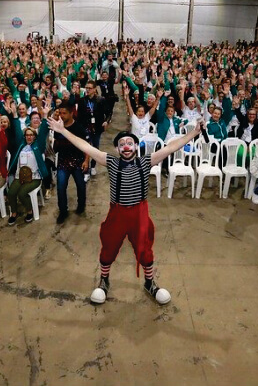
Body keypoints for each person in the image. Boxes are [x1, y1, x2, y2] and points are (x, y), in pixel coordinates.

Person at [47, 114, 204, 305]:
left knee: (145, 249)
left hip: (139, 214)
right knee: (109, 246)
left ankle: (149, 282)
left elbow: (171, 147)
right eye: (122, 144)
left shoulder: (146, 161)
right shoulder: (112, 163)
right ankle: (104, 280)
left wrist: (194, 133)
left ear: (136, 146)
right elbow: (87, 147)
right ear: (117, 148)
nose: (127, 146)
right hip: (118, 214)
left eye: (130, 143)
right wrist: (63, 130)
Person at [53, 102, 89, 224]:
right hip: (63, 162)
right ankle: (63, 211)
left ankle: (81, 206)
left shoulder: (79, 128)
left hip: (78, 162)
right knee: (61, 188)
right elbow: (56, 145)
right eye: (60, 113)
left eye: (64, 113)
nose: (61, 116)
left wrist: (86, 160)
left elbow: (86, 146)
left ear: (71, 113)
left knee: (81, 186)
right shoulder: (58, 128)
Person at [7, 124, 49, 225]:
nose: (29, 137)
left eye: (31, 135)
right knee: (11, 193)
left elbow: (43, 133)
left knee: (22, 193)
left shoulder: (38, 145)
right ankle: (14, 212)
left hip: (34, 177)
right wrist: (15, 116)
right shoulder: (21, 145)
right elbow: (17, 132)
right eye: (27, 135)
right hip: (20, 176)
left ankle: (29, 211)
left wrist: (44, 117)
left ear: (35, 136)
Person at [77, 80, 109, 177]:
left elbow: (108, 113)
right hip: (85, 127)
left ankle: (93, 166)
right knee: (85, 148)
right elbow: (79, 116)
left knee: (95, 147)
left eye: (89, 88)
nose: (87, 90)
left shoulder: (101, 100)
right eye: (86, 88)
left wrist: (106, 121)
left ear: (94, 89)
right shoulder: (82, 101)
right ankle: (85, 169)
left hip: (97, 127)